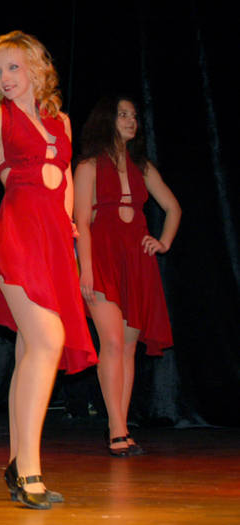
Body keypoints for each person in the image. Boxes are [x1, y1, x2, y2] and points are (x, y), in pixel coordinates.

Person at [0, 30, 97, 510]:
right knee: (47, 342)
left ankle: (19, 462)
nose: (4, 78)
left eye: (13, 67)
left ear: (36, 68)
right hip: (15, 242)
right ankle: (30, 468)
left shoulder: (62, 122)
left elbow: (66, 181)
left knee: (32, 350)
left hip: (52, 246)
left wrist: (69, 229)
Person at [74, 96, 181, 456]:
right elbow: (81, 223)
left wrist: (163, 242)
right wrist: (86, 270)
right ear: (107, 119)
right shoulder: (88, 165)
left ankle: (120, 426)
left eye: (134, 116)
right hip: (102, 261)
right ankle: (117, 428)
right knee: (112, 342)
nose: (131, 121)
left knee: (129, 348)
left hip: (136, 262)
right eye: (123, 115)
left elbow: (173, 207)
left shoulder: (142, 167)